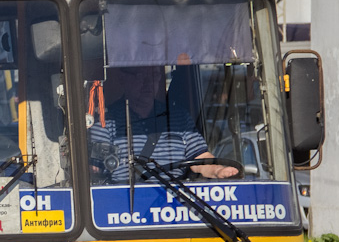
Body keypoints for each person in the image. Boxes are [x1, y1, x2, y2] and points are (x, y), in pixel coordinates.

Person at [88, 65, 239, 183]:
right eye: (139, 76)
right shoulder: (105, 121)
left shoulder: (179, 117)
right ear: (123, 78)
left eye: (153, 76)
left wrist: (219, 171)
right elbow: (96, 171)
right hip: (129, 205)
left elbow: (200, 158)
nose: (148, 84)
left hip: (175, 202)